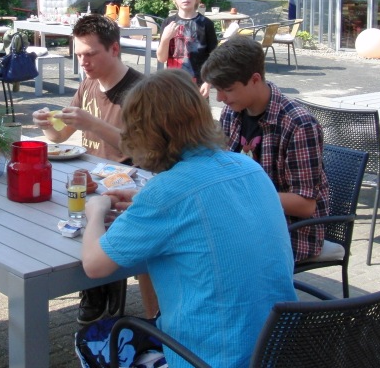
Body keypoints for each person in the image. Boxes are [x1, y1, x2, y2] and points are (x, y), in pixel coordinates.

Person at [76, 70, 296, 368]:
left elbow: (94, 265)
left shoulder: (166, 192)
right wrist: (144, 206)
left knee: (90, 338)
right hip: (279, 352)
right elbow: (203, 213)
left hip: (210, 359)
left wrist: (96, 211)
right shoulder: (248, 166)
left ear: (146, 133)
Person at [32, 14, 146, 324]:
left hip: (130, 184)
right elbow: (60, 136)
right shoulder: (88, 84)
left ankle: (101, 286)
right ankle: (96, 286)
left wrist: (92, 123)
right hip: (92, 180)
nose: (83, 61)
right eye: (78, 54)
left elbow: (142, 149)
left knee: (92, 217)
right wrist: (45, 123)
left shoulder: (141, 91)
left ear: (114, 49)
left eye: (90, 54)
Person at [201, 35, 329, 261]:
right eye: (217, 90)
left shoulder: (299, 124)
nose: (220, 98)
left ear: (255, 79)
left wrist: (238, 193)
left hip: (290, 231)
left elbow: (305, 205)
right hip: (245, 218)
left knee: (201, 249)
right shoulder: (232, 112)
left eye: (227, 89)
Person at [156, 0, 217, 97]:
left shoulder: (206, 24)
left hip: (198, 85)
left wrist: (208, 82)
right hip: (173, 83)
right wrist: (165, 39)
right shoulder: (168, 23)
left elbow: (214, 58)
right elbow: (161, 58)